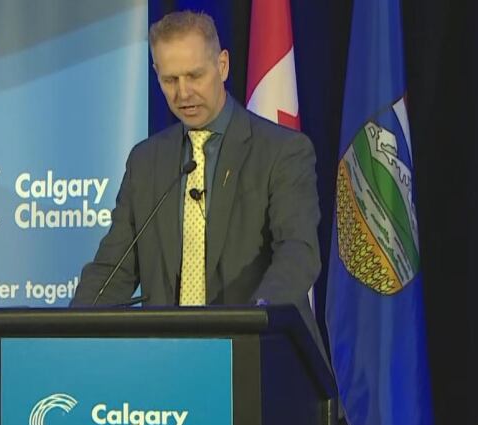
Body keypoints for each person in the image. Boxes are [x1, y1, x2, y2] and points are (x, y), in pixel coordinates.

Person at [72, 10, 321, 345]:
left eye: (195, 75)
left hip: (261, 355)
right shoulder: (146, 161)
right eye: (170, 80)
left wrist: (254, 323)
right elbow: (112, 269)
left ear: (222, 65)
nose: (183, 93)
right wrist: (67, 337)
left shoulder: (282, 151)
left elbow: (298, 251)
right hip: (171, 363)